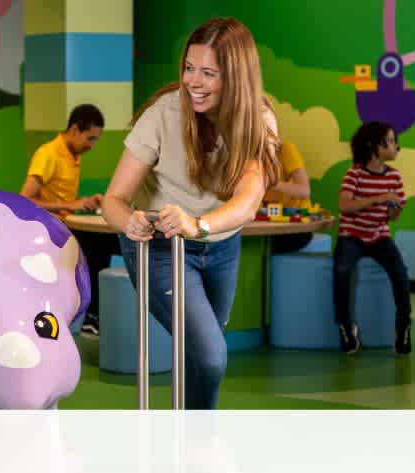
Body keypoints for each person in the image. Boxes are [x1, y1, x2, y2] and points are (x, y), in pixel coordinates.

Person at [100, 18, 281, 409]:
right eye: (188, 68)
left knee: (201, 357)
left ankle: (190, 446)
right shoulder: (162, 114)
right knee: (211, 356)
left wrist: (198, 225)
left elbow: (249, 200)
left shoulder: (258, 119)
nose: (193, 82)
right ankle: (200, 442)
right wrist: (128, 220)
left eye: (208, 73)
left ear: (235, 78)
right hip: (161, 246)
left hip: (218, 243)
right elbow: (113, 200)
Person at [20, 104, 119, 337]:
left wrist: (84, 201)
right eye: (90, 138)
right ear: (75, 129)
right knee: (100, 246)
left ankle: (93, 318)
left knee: (104, 246)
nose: (91, 145)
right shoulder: (48, 154)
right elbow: (25, 199)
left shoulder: (72, 155)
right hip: (48, 230)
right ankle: (92, 318)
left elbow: (60, 197)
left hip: (65, 226)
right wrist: (68, 205)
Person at [333, 121, 412, 355]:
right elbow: (344, 205)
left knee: (400, 272)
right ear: (373, 145)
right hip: (351, 236)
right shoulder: (354, 173)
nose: (396, 146)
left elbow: (392, 217)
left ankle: (404, 327)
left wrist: (394, 209)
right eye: (390, 141)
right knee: (341, 271)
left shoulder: (394, 178)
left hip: (379, 236)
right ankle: (346, 326)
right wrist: (378, 198)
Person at [261, 140, 313, 253]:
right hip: (267, 223)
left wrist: (272, 183)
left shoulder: (284, 149)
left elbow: (305, 190)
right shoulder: (246, 157)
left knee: (259, 246)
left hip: (296, 226)